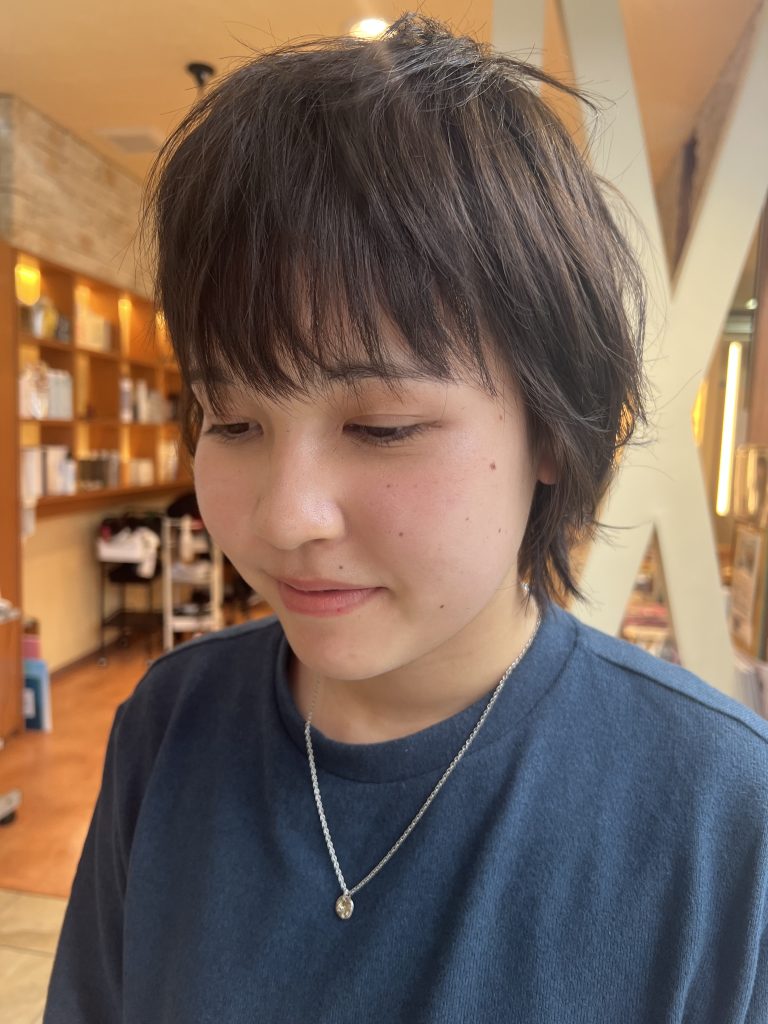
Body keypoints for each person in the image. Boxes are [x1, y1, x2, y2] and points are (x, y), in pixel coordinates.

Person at [44, 14, 767, 1023]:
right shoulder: (169, 728)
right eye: (233, 420)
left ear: (554, 430)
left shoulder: (720, 811)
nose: (287, 516)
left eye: (382, 427)